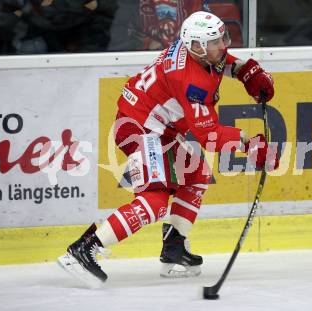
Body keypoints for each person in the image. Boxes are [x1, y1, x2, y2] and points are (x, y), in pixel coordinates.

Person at [58, 11, 277, 288]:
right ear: (196, 46)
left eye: (223, 38)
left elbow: (221, 62)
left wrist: (245, 70)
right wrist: (249, 142)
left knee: (196, 175)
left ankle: (174, 247)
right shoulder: (190, 81)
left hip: (159, 128)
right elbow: (208, 134)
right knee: (156, 199)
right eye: (215, 41)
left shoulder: (200, 53)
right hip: (138, 129)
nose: (223, 46)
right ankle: (83, 249)